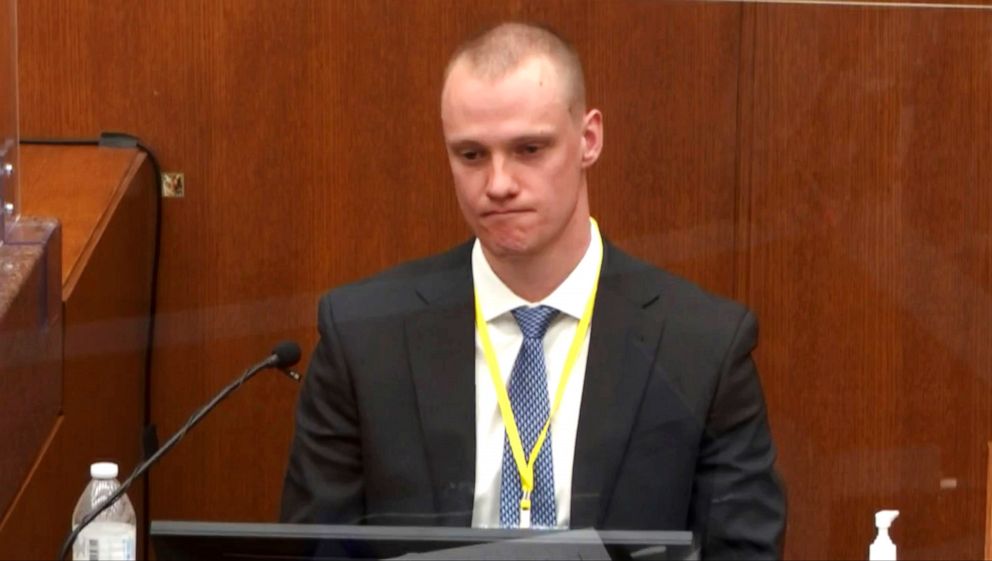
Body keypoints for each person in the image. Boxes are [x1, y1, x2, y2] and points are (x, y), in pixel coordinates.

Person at [281, 21, 785, 559]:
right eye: (471, 155)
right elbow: (315, 549)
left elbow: (743, 550)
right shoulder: (363, 337)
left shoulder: (701, 345)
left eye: (528, 149)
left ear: (588, 140)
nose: (498, 183)